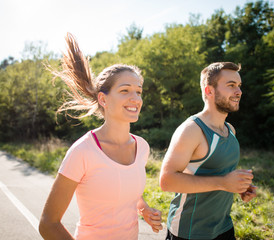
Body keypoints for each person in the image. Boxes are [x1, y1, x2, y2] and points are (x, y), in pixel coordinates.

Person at [39, 33, 163, 240]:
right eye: (125, 91)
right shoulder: (83, 151)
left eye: (139, 91)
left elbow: (127, 191)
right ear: (103, 99)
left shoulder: (142, 147)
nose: (135, 98)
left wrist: (144, 210)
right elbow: (48, 224)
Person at [159, 62, 257, 240]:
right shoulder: (191, 130)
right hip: (190, 231)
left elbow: (219, 173)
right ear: (209, 91)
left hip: (223, 225)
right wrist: (223, 183)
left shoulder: (230, 130)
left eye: (239, 86)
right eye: (231, 85)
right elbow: (167, 181)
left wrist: (238, 186)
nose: (239, 92)